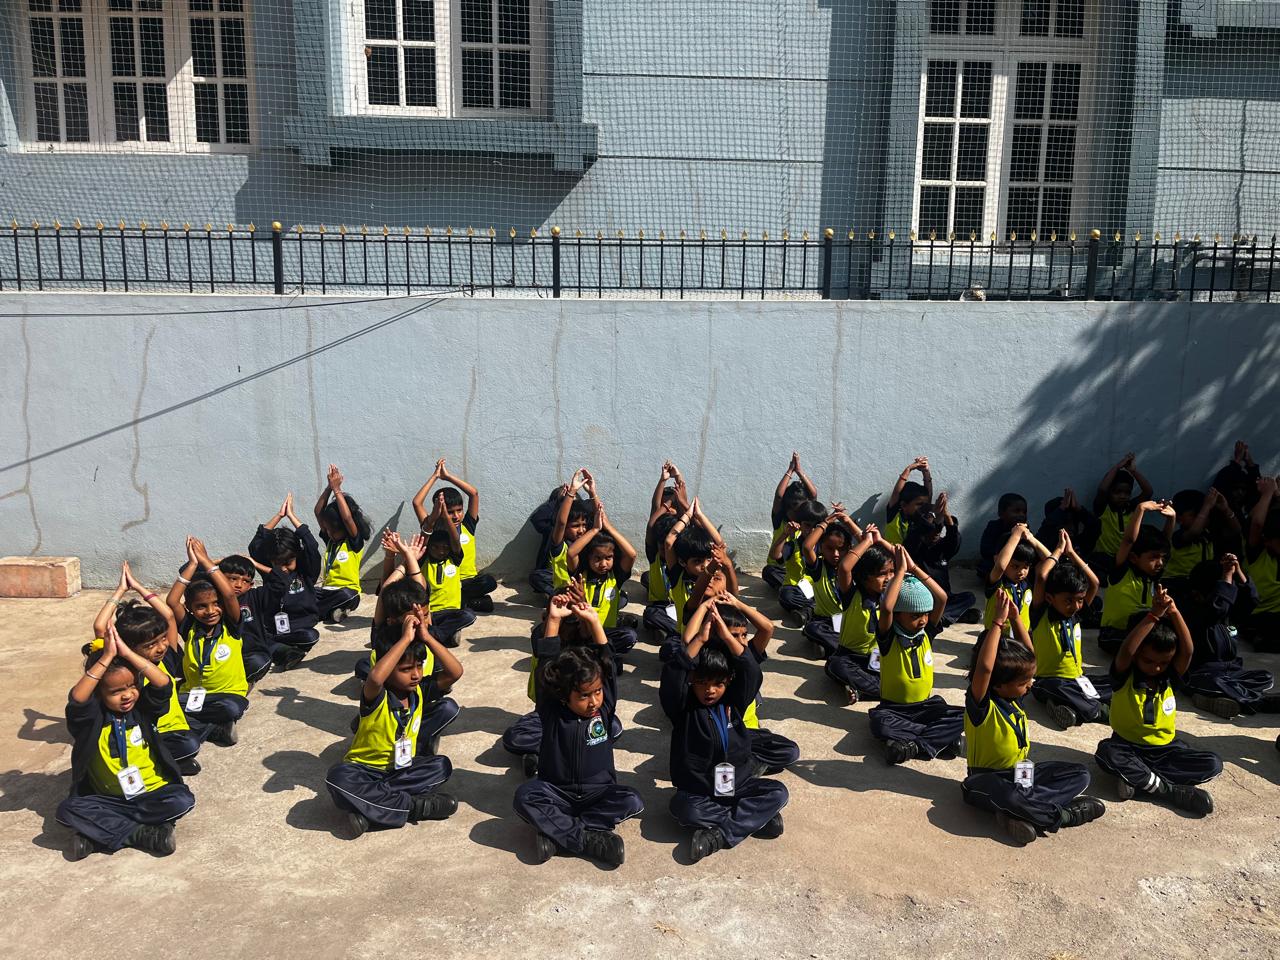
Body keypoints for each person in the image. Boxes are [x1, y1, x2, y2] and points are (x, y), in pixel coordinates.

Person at [961, 592, 1105, 845]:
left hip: (1021, 774)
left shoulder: (1014, 698)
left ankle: (1018, 814)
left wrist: (1016, 620)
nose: (1030, 685)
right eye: (1023, 682)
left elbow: (1031, 658)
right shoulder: (982, 706)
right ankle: (1063, 815)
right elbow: (984, 668)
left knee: (1080, 774)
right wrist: (997, 623)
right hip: (986, 781)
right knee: (1009, 797)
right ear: (998, 684)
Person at [661, 603, 789, 863]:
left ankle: (719, 835)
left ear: (728, 682)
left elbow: (750, 670)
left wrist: (728, 637)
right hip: (700, 791)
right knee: (684, 809)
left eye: (718, 684)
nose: (710, 690)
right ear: (692, 681)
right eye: (702, 683)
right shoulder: (683, 708)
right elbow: (673, 675)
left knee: (778, 792)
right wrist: (701, 638)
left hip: (737, 784)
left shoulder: (735, 702)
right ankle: (754, 819)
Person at [56, 624, 195, 860]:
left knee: (182, 800)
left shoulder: (143, 710)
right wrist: (106, 657)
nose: (127, 694)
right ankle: (142, 834)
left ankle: (98, 835)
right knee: (67, 811)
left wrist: (128, 654)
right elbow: (77, 700)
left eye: (132, 686)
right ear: (99, 693)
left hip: (151, 792)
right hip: (109, 799)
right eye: (116, 691)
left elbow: (163, 684)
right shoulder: (90, 721)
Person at [513, 637, 643, 867]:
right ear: (564, 697)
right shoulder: (552, 713)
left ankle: (558, 835)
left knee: (632, 800)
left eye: (597, 692)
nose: (593, 702)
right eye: (584, 696)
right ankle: (587, 839)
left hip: (597, 794)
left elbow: (607, 662)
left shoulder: (604, 710)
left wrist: (593, 622)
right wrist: (553, 621)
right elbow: (545, 667)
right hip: (558, 793)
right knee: (525, 796)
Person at [1094, 587, 1222, 816]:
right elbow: (1126, 650)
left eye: (1163, 663)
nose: (1156, 668)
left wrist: (1174, 611)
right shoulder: (1125, 676)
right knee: (1107, 753)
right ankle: (1168, 791)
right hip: (1127, 747)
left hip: (1165, 751)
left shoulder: (1169, 677)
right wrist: (1153, 615)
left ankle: (1141, 780)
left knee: (1213, 763)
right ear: (1137, 656)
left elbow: (1188, 651)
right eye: (1149, 661)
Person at [325, 615, 458, 835]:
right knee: (337, 778)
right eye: (406, 669)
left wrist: (427, 637)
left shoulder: (419, 691)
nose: (416, 675)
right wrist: (405, 639)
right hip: (365, 771)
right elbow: (376, 679)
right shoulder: (376, 695)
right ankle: (414, 807)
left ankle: (370, 809)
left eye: (419, 666)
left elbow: (455, 672)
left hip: (401, 770)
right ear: (387, 669)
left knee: (441, 766)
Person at [94, 563, 202, 775]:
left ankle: (168, 759)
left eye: (162, 639)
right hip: (147, 732)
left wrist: (136, 586)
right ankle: (163, 761)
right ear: (127, 646)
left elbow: (168, 616)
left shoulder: (166, 657)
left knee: (203, 719)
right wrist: (119, 591)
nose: (161, 647)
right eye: (150, 645)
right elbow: (99, 626)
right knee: (188, 745)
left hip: (176, 726)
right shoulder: (124, 669)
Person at [503, 581, 620, 778]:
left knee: (613, 727)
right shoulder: (541, 637)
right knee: (516, 737)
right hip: (554, 717)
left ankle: (558, 748)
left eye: (576, 619)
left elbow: (607, 663)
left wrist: (589, 616)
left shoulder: (585, 650)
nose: (574, 624)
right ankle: (545, 751)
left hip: (585, 720)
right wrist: (555, 619)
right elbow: (547, 660)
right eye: (570, 620)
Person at [683, 593, 800, 775]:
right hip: (714, 731)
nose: (741, 641)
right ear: (719, 634)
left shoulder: (746, 656)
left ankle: (747, 765)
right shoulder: (707, 659)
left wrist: (737, 603)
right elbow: (688, 639)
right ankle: (741, 767)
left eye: (744, 635)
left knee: (789, 751)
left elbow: (768, 628)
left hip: (743, 730)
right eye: (733, 635)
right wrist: (705, 606)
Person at [866, 547, 964, 765]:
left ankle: (912, 745)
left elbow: (942, 598)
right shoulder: (888, 637)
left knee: (966, 716)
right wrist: (900, 572)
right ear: (898, 615)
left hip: (925, 707)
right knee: (880, 723)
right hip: (894, 710)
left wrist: (914, 569)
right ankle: (938, 738)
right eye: (915, 615)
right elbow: (887, 607)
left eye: (926, 614)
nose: (923, 620)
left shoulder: (927, 633)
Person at [167, 536, 248, 746]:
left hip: (227, 696)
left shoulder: (231, 626)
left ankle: (198, 725)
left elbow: (229, 595)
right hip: (193, 695)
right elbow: (172, 601)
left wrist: (205, 560)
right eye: (201, 606)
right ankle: (214, 729)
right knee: (165, 705)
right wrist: (192, 564)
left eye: (215, 603)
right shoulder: (190, 627)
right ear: (190, 608)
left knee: (231, 709)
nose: (210, 611)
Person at [1028, 532, 1112, 729]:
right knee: (1056, 687)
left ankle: (1069, 708)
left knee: (1115, 683)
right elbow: (1041, 576)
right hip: (1049, 681)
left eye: (1080, 600)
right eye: (1068, 600)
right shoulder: (1042, 615)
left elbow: (1094, 583)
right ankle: (1098, 711)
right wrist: (1058, 550)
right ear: (1050, 598)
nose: (1075, 606)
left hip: (1078, 680)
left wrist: (1072, 553)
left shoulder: (1076, 616)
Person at [1178, 556, 1278, 717]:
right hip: (1202, 675)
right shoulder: (1196, 613)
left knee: (1265, 677)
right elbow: (1218, 608)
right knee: (1216, 683)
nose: (1229, 596)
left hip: (1231, 673)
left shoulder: (1227, 613)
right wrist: (1226, 577)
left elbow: (1251, 601)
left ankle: (1216, 699)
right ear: (1198, 594)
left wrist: (1237, 572)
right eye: (1224, 590)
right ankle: (1259, 702)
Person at [248, 493, 323, 671]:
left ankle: (280, 648)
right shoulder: (270, 568)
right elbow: (255, 545)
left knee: (311, 636)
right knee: (255, 634)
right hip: (272, 627)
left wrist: (291, 516)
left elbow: (311, 545)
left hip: (301, 625)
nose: (283, 568)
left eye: (288, 562)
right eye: (277, 563)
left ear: (297, 555)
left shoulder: (306, 570)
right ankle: (282, 650)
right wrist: (279, 515)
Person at [414, 457, 497, 613]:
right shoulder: (432, 527)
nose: (456, 516)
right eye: (450, 512)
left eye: (459, 510)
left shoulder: (467, 526)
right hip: (445, 583)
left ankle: (464, 600)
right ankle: (464, 602)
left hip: (467, 581)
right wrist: (434, 477)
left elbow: (474, 494)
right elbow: (417, 503)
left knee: (489, 582)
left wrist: (447, 477)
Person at [567, 491, 638, 662]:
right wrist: (594, 529)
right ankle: (599, 656)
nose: (603, 564)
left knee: (629, 636)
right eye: (597, 558)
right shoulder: (581, 573)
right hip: (583, 633)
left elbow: (631, 554)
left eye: (608, 558)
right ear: (588, 558)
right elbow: (571, 553)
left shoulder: (615, 576)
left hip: (605, 633)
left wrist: (608, 527)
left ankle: (602, 654)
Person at [825, 529, 894, 704]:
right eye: (881, 574)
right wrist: (868, 541)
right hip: (851, 656)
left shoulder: (891, 597)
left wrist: (881, 542)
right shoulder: (852, 594)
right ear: (864, 576)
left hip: (879, 658)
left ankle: (865, 692)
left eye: (891, 572)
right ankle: (886, 691)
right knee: (835, 665)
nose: (888, 578)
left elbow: (905, 564)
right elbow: (844, 568)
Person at [1099, 501, 1175, 654]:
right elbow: (1128, 541)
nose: (1160, 563)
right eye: (1153, 557)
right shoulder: (1121, 571)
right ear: (1134, 557)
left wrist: (1171, 518)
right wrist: (1140, 509)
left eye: (1162, 558)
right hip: (1114, 635)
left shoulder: (1153, 577)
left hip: (1143, 632)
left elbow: (1165, 545)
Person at [904, 494, 978, 630]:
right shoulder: (914, 547)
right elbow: (919, 532)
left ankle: (943, 616)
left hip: (944, 598)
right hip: (924, 599)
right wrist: (932, 515)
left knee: (970, 597)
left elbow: (954, 539)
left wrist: (946, 515)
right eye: (933, 528)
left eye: (940, 529)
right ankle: (948, 616)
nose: (937, 532)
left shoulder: (942, 547)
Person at [415, 490, 479, 647]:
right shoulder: (423, 561)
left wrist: (445, 516)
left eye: (445, 548)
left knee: (469, 615)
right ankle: (445, 633)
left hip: (451, 612)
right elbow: (425, 536)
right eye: (436, 548)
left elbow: (455, 540)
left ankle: (435, 634)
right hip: (429, 613)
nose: (441, 551)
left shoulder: (454, 559)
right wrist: (435, 516)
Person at [313, 463, 371, 624]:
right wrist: (329, 487)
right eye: (327, 530)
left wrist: (337, 490)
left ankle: (320, 612)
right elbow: (318, 512)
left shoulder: (354, 542)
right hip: (326, 591)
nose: (329, 533)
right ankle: (331, 612)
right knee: (306, 592)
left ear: (344, 529)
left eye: (333, 530)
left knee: (348, 596)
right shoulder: (330, 541)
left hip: (346, 592)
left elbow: (347, 519)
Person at [800, 510, 860, 657]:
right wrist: (826, 522)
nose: (835, 554)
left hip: (850, 621)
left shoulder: (854, 568)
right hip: (825, 621)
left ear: (849, 548)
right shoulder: (818, 568)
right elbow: (807, 547)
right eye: (830, 548)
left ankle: (829, 647)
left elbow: (868, 543)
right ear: (821, 547)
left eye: (841, 549)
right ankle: (842, 650)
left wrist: (848, 522)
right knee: (812, 629)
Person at [763, 451, 819, 592]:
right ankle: (793, 590)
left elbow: (813, 495)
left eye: (802, 507)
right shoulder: (780, 518)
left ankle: (798, 591)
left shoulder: (806, 521)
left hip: (801, 571)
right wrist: (789, 471)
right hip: (780, 568)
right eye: (794, 507)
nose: (797, 512)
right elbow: (778, 496)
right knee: (769, 571)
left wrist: (799, 471)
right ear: (787, 505)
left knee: (811, 576)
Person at [768, 499, 829, 624]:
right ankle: (814, 607)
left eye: (816, 526)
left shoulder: (824, 545)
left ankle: (807, 611)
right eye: (807, 525)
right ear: (799, 524)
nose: (812, 530)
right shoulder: (793, 544)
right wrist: (784, 535)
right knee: (785, 596)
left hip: (818, 588)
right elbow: (775, 555)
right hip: (796, 589)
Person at [1091, 452, 1154, 572]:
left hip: (1125, 559)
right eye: (1117, 492)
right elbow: (1102, 489)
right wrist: (1117, 467)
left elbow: (1148, 491)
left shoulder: (1132, 507)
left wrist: (1133, 471)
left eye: (1127, 493)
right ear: (1110, 492)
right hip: (1102, 559)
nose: (1122, 496)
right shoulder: (1103, 508)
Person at [983, 523, 1049, 637]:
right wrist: (1016, 534)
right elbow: (1000, 566)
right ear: (996, 559)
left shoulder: (1026, 583)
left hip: (1021, 639)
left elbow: (1050, 562)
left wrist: (1031, 538)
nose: (1021, 572)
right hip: (996, 639)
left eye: (1026, 567)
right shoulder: (997, 582)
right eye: (1015, 566)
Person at [217, 554, 272, 682]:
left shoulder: (255, 596)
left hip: (249, 652)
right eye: (233, 578)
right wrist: (218, 562)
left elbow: (282, 581)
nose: (239, 585)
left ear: (251, 584)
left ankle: (242, 684)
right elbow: (189, 572)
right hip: (222, 653)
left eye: (245, 581)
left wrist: (255, 564)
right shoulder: (214, 598)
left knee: (259, 663)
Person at [1244, 475, 1280, 652]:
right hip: (1261, 617)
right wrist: (1268, 493)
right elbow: (1257, 524)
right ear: (1267, 541)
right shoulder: (1258, 553)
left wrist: (1277, 495)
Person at [977, 493, 1029, 583]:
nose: (1021, 515)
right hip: (997, 562)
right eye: (1016, 511)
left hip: (1018, 565)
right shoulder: (994, 527)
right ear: (1001, 513)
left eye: (1024, 512)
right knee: (985, 566)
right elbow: (985, 549)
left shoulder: (1025, 531)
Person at [884, 457, 933, 545]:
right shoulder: (894, 514)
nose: (924, 507)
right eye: (919, 504)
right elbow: (896, 492)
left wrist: (926, 471)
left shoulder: (920, 518)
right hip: (889, 553)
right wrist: (909, 469)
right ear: (904, 505)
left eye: (924, 504)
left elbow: (928, 496)